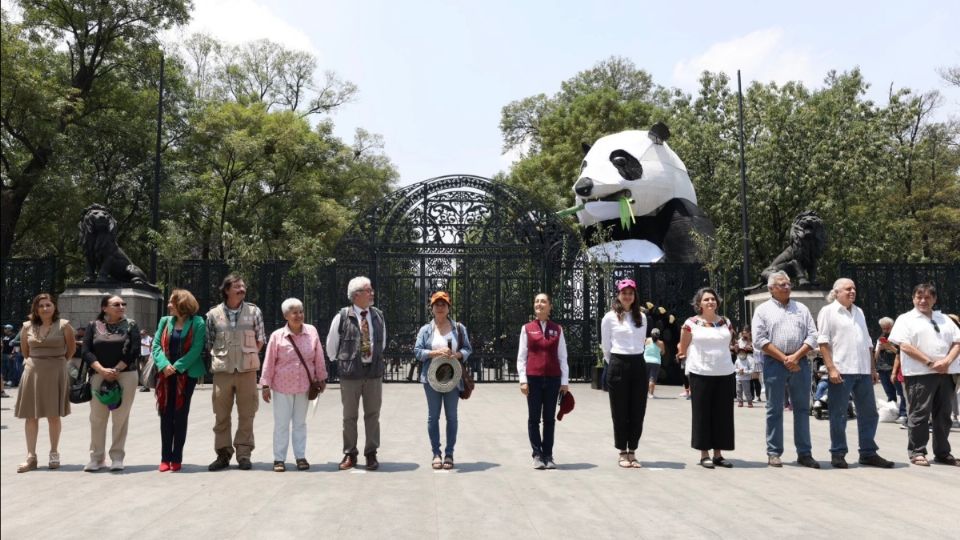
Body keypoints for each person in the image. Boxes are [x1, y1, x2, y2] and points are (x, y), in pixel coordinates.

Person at [816, 278, 894, 469]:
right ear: (837, 292)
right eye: (848, 289)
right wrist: (831, 368)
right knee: (838, 414)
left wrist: (872, 368)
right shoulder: (828, 311)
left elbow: (867, 342)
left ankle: (868, 452)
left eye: (854, 288)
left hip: (862, 371)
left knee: (869, 413)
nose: (852, 291)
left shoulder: (859, 311)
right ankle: (838, 453)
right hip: (841, 371)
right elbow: (823, 342)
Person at [752, 270, 821, 468]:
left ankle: (804, 453)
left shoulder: (801, 308)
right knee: (774, 409)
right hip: (775, 363)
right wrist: (784, 358)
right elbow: (759, 339)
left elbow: (812, 335)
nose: (787, 287)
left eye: (788, 283)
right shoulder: (763, 310)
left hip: (801, 362)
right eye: (782, 284)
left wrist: (796, 357)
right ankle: (774, 452)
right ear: (771, 288)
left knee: (801, 408)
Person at [888, 283, 960, 467]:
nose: (923, 301)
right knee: (919, 413)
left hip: (946, 373)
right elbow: (904, 345)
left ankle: (943, 452)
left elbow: (957, 342)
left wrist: (946, 362)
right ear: (913, 298)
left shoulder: (944, 319)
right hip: (920, 373)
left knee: (944, 414)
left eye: (927, 297)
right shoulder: (905, 319)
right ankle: (917, 451)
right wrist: (929, 362)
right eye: (919, 297)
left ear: (934, 299)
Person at [205, 274, 266, 471]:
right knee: (221, 414)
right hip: (222, 372)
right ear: (226, 290)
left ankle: (244, 454)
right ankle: (223, 454)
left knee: (247, 414)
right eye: (237, 286)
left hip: (247, 371)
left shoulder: (254, 312)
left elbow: (260, 339)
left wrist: (247, 357)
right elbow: (209, 343)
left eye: (243, 286)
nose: (242, 289)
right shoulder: (213, 315)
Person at [327, 276, 387, 471]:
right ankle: (350, 453)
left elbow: (382, 342)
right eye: (368, 290)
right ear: (357, 295)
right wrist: (346, 362)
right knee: (349, 416)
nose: (372, 293)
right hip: (350, 375)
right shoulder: (342, 316)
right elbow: (331, 347)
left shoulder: (377, 315)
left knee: (372, 414)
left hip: (373, 374)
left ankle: (371, 453)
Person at [261, 298, 327, 472]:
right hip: (282, 386)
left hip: (304, 386)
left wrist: (321, 377)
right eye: (294, 312)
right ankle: (279, 459)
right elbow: (269, 361)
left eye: (300, 311)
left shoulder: (311, 332)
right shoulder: (277, 336)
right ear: (286, 316)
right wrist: (265, 384)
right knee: (282, 423)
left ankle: (300, 456)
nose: (298, 315)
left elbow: (318, 356)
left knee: (300, 423)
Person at [14, 294, 76, 472]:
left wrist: (57, 362)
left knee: (53, 415)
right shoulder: (27, 326)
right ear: (36, 308)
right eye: (41, 305)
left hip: (56, 371)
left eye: (48, 305)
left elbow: (71, 349)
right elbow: (26, 352)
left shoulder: (64, 325)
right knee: (30, 416)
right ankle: (31, 456)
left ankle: (54, 453)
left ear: (54, 307)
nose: (45, 308)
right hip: (33, 372)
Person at [678, 288, 736, 468]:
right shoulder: (691, 323)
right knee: (702, 413)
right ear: (699, 304)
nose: (710, 302)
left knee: (723, 414)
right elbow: (683, 347)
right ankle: (704, 454)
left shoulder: (726, 322)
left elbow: (729, 343)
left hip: (725, 372)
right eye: (706, 299)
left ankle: (718, 453)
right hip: (701, 373)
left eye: (713, 299)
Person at [414, 291, 472, 470]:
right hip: (431, 379)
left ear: (448, 308)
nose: (440, 307)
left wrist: (457, 354)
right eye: (436, 304)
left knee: (452, 417)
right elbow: (417, 351)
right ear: (431, 308)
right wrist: (435, 353)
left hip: (453, 378)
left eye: (443, 304)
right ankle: (436, 453)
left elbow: (468, 349)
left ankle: (449, 453)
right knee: (433, 417)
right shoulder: (425, 330)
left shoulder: (459, 328)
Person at [82, 295, 141, 472]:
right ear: (104, 308)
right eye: (116, 304)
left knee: (120, 417)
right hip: (99, 374)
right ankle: (96, 458)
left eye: (123, 304)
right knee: (97, 417)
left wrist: (116, 369)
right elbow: (86, 351)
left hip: (125, 374)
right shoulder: (93, 326)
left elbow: (134, 350)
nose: (121, 306)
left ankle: (117, 457)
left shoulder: (131, 325)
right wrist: (101, 370)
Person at [151, 289, 207, 472]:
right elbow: (156, 345)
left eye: (171, 302)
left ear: (182, 304)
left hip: (186, 375)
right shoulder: (164, 321)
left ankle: (177, 457)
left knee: (180, 414)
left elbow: (197, 349)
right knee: (165, 414)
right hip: (165, 375)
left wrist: (177, 367)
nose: (168, 305)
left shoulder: (198, 322)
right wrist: (164, 365)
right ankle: (165, 457)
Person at [517, 292, 569, 470]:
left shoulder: (558, 329)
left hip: (553, 379)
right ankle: (537, 454)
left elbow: (563, 356)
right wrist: (523, 380)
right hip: (533, 379)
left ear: (550, 306)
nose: (540, 304)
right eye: (537, 301)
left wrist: (564, 381)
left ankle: (548, 455)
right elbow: (521, 356)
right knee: (533, 419)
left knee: (549, 419)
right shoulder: (527, 328)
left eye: (543, 301)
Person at [600, 278, 648, 468]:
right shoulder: (609, 317)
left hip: (638, 363)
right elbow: (606, 346)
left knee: (637, 410)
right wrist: (614, 363)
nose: (627, 296)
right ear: (618, 296)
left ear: (634, 296)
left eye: (631, 293)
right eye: (624, 293)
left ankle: (633, 451)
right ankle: (622, 451)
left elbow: (641, 341)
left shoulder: (642, 317)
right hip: (618, 362)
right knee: (619, 411)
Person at [874, 317, 906, 422]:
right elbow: (875, 355)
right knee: (889, 393)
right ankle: (893, 411)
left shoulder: (898, 337)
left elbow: (901, 352)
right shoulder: (881, 337)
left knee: (901, 392)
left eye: (887, 328)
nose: (885, 330)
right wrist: (879, 347)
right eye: (883, 328)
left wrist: (889, 347)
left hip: (894, 368)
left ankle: (903, 413)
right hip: (882, 368)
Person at [735, 337, 754, 408]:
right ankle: (740, 401)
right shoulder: (737, 360)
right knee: (738, 391)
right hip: (738, 378)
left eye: (743, 352)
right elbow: (735, 368)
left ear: (746, 353)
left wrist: (745, 372)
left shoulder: (749, 360)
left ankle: (749, 402)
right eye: (740, 352)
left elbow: (752, 370)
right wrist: (738, 371)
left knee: (747, 391)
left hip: (746, 378)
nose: (741, 354)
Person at [644, 328, 664, 399]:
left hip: (645, 361)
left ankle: (644, 393)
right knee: (652, 378)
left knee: (645, 378)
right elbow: (662, 352)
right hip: (656, 362)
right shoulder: (661, 343)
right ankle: (651, 394)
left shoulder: (646, 340)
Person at [1, 323, 14, 398]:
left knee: (10, 368)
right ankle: (4, 381)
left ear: (10, 329)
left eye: (6, 328)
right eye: (5, 328)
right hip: (3, 354)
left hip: (9, 354)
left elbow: (14, 345)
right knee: (4, 368)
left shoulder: (13, 336)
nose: (4, 329)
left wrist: (12, 354)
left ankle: (10, 381)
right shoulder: (4, 336)